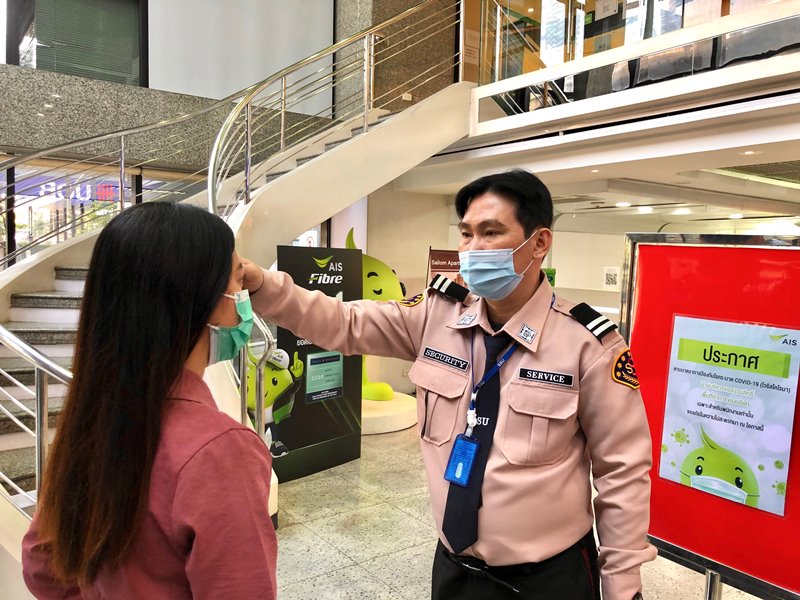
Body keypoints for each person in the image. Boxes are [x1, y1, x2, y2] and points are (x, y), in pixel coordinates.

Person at [241, 169, 655, 600]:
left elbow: (622, 471)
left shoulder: (589, 344)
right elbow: (344, 323)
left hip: (548, 579)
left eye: (491, 232)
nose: (473, 249)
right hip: (454, 568)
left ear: (539, 243)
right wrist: (264, 285)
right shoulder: (435, 315)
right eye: (466, 234)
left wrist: (622, 586)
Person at [22, 203, 277, 599]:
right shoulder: (220, 450)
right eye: (238, 280)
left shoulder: (92, 418)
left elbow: (42, 566)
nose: (243, 297)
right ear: (201, 299)